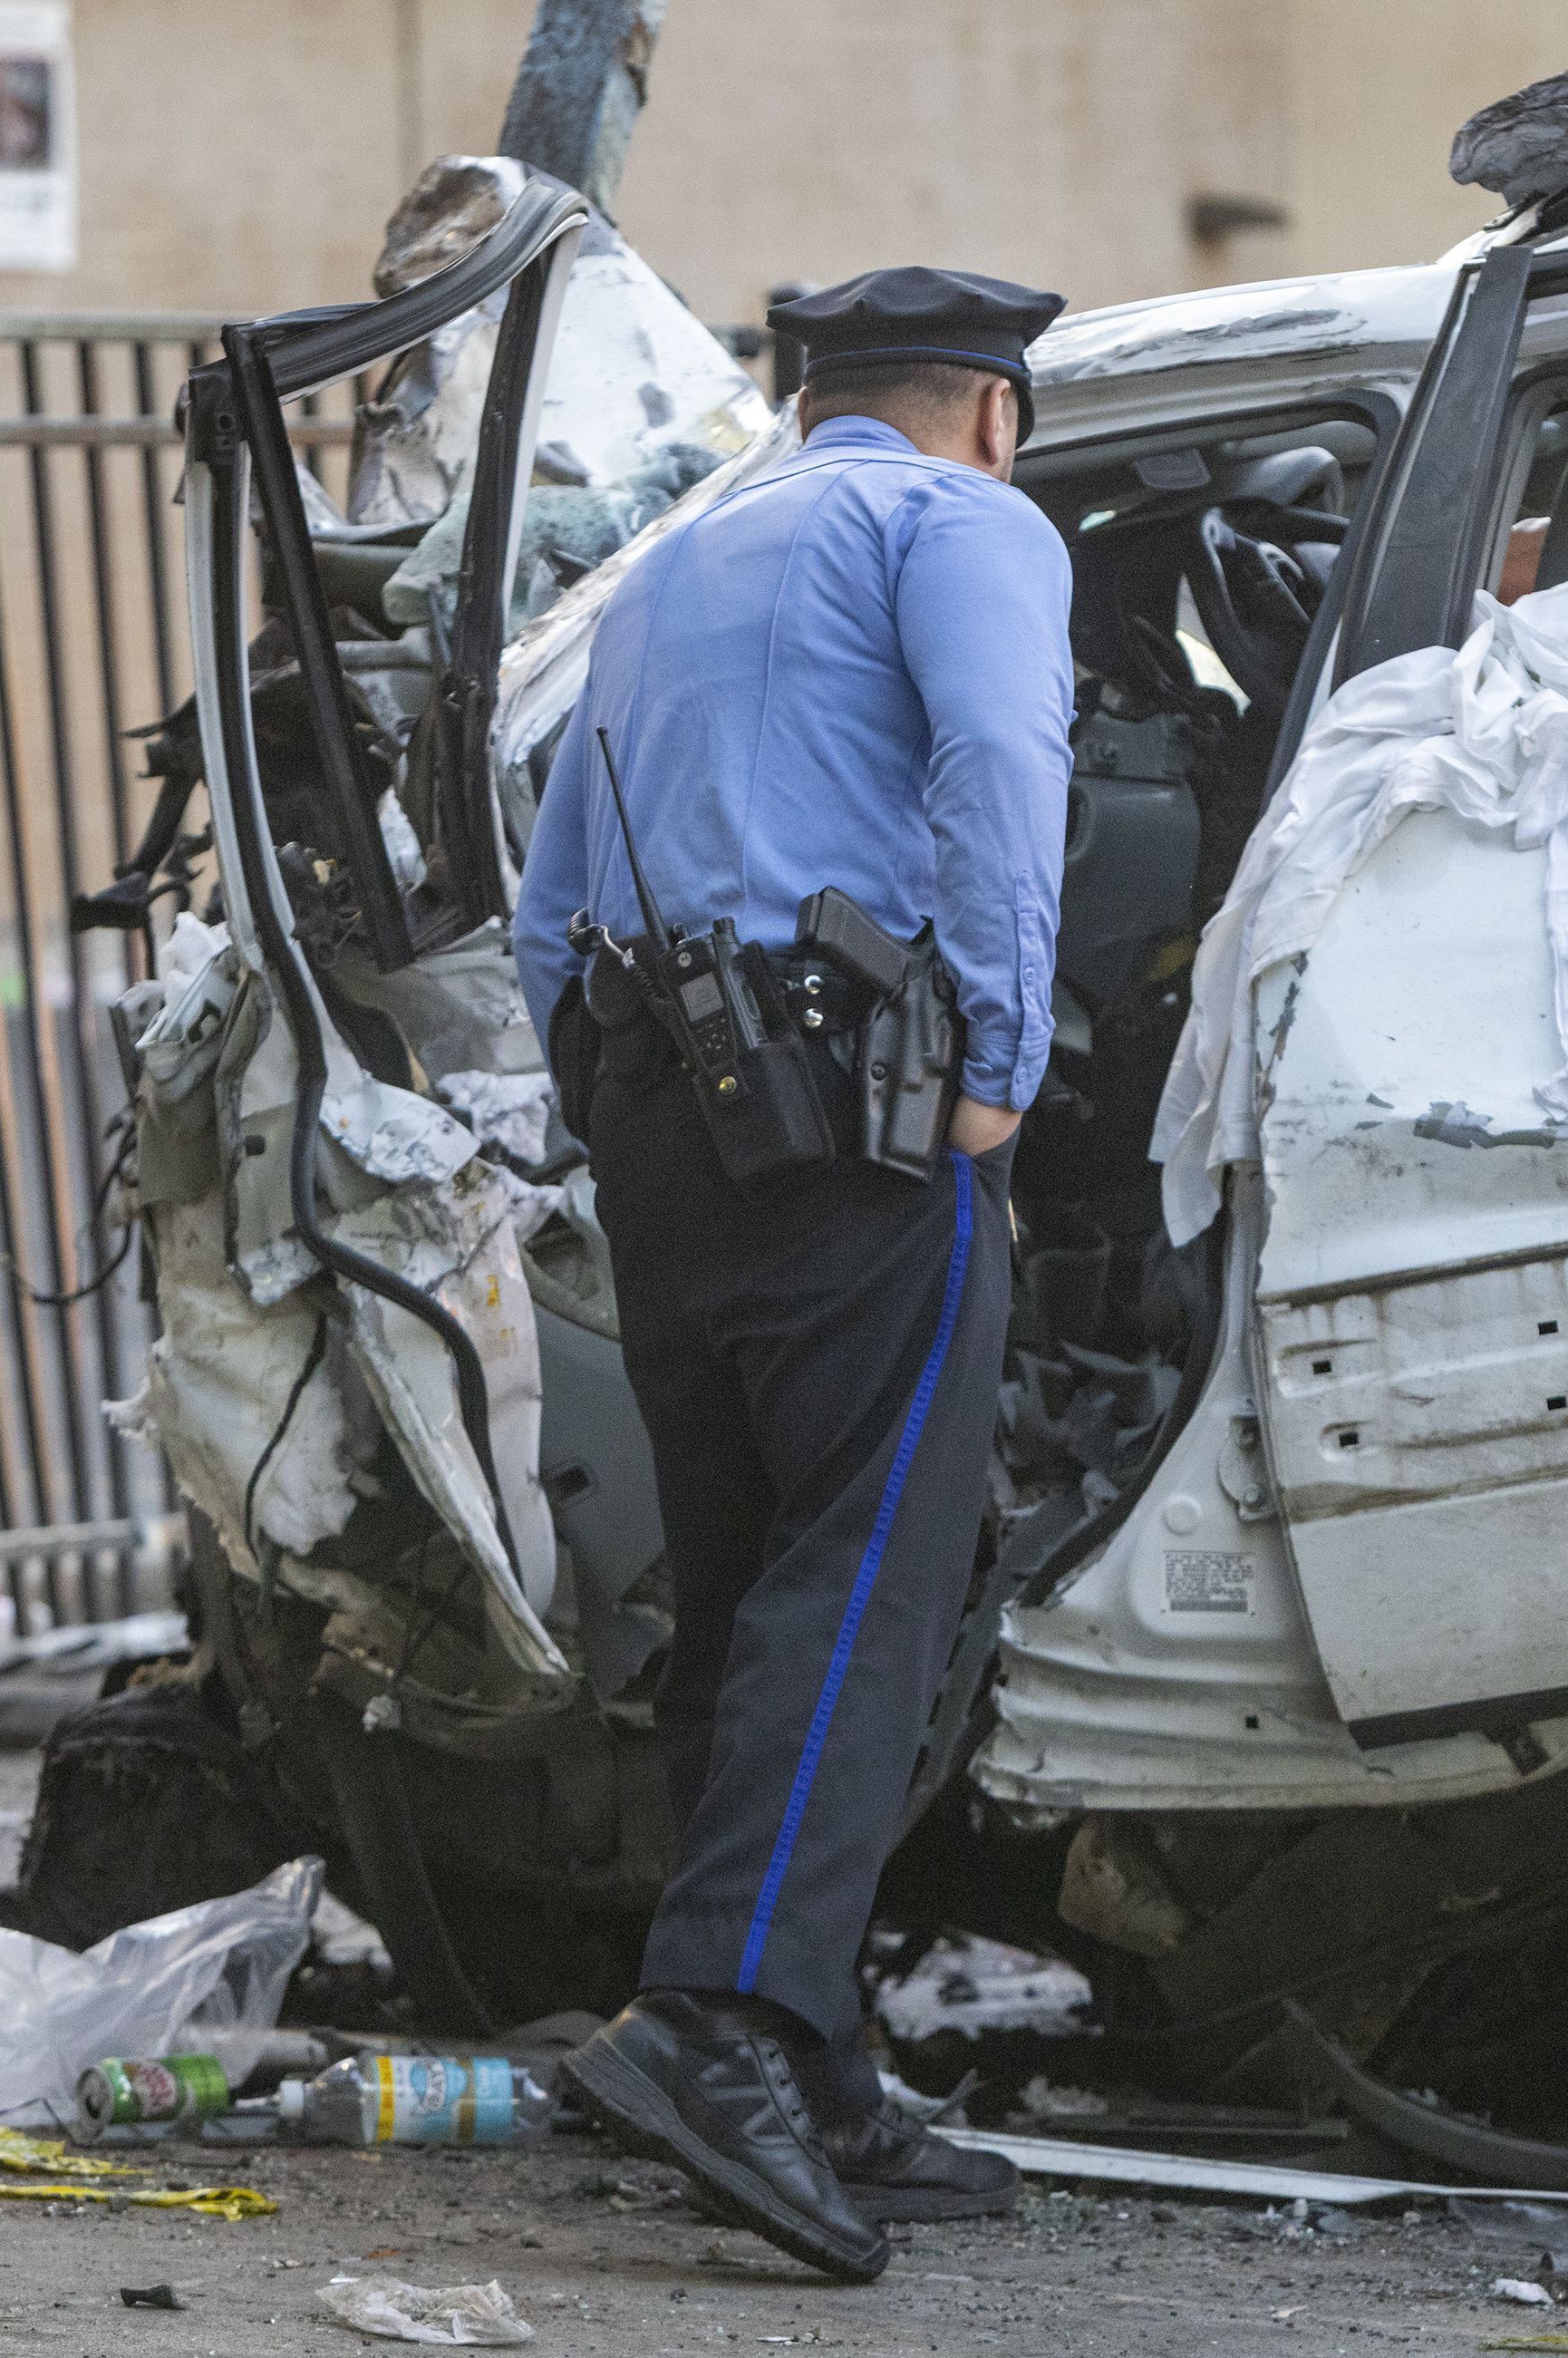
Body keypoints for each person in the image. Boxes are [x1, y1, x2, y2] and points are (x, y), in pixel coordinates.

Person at [511, 265, 1072, 2284]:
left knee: (746, 1585)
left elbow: (554, 892)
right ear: (993, 410)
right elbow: (1000, 761)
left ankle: (808, 2062)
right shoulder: (960, 523)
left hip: (667, 1117)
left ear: (812, 394)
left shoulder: (672, 566)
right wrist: (1001, 1059)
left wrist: (617, 1107)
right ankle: (724, 2019)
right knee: (867, 1572)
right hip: (858, 1119)